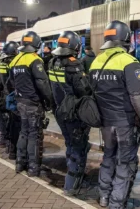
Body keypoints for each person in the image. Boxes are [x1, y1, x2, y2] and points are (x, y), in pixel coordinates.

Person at [89, 20, 140, 208]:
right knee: (124, 162)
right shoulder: (129, 62)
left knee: (108, 157)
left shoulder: (96, 61)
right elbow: (138, 99)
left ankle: (104, 196)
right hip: (124, 123)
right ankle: (116, 203)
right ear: (126, 39)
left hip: (105, 123)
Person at [49, 31, 91, 195]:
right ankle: (72, 183)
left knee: (70, 143)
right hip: (73, 113)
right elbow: (83, 91)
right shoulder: (74, 65)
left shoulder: (52, 62)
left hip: (60, 111)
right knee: (78, 147)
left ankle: (72, 173)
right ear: (74, 46)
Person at [9, 31, 52, 177]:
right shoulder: (34, 60)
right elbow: (43, 83)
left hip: (20, 101)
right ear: (37, 44)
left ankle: (20, 163)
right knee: (34, 135)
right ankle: (34, 168)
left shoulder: (15, 60)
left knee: (23, 132)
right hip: (33, 103)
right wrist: (49, 100)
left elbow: (11, 82)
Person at [0, 41, 21, 160]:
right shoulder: (12, 62)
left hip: (6, 94)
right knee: (15, 124)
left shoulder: (2, 61)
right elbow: (10, 81)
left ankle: (9, 146)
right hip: (12, 94)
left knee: (10, 122)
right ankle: (14, 150)